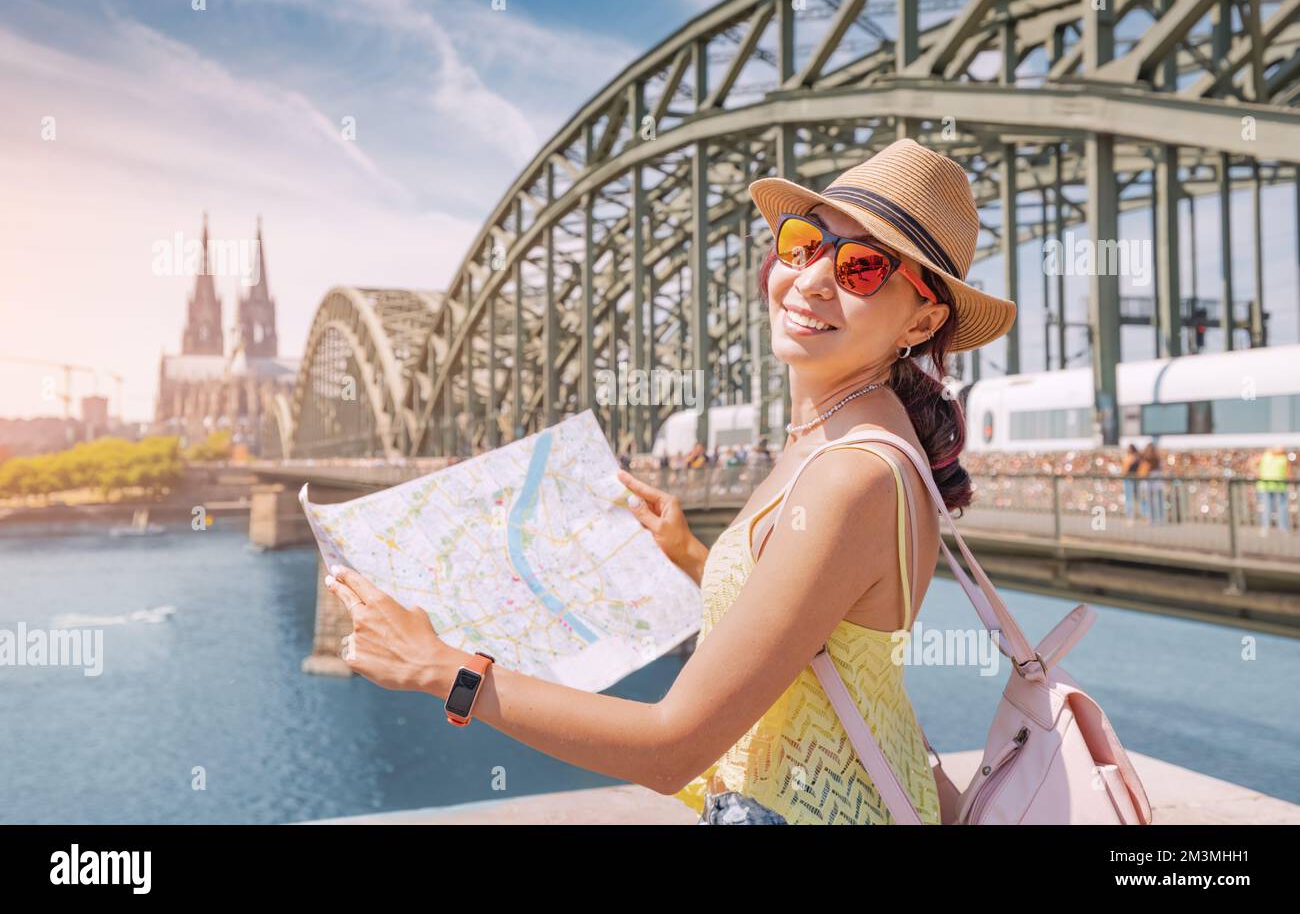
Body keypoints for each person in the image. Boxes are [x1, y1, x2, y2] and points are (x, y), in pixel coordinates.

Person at [322, 138, 1017, 825]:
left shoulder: (851, 475)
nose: (810, 280)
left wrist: (439, 668)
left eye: (862, 268)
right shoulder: (846, 435)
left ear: (924, 319)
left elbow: (672, 747)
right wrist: (692, 556)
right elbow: (816, 622)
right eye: (803, 244)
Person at [1256, 446, 1292, 533]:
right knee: (1267, 507)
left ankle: (1282, 528)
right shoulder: (1265, 456)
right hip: (1266, 486)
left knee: (1281, 507)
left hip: (1279, 486)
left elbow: (1288, 473)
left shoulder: (1283, 458)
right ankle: (1266, 527)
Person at [1137, 442, 1163, 524]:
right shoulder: (1155, 459)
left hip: (1150, 481)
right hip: (1153, 481)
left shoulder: (1147, 459)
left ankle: (1152, 518)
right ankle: (1157, 518)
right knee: (1155, 501)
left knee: (1151, 501)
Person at [1121, 443, 1140, 520]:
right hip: (1131, 479)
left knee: (1131, 498)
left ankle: (1132, 515)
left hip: (1131, 479)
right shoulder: (1135, 457)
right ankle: (1131, 515)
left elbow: (1125, 469)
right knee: (1130, 498)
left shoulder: (1132, 458)